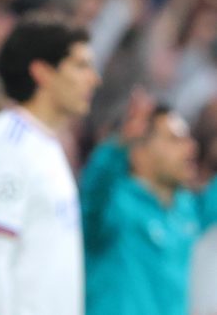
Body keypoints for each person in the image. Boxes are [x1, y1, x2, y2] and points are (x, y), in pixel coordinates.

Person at [0, 17, 101, 315]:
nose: (94, 79)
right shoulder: (8, 141)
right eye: (80, 66)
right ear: (42, 72)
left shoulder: (47, 146)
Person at [80, 93, 217, 315]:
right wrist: (118, 145)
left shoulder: (186, 210)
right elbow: (93, 194)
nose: (190, 148)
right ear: (138, 152)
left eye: (188, 139)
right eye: (175, 140)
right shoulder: (115, 208)